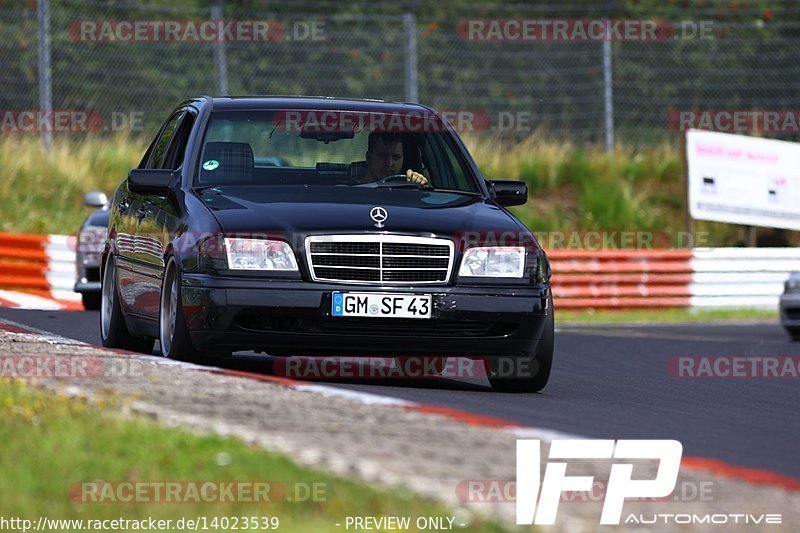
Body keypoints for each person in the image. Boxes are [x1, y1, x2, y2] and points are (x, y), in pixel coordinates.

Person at [362, 132, 428, 185]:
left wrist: (418, 185)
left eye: (396, 157)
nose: (389, 163)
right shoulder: (352, 191)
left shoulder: (408, 189)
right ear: (368, 157)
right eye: (382, 156)